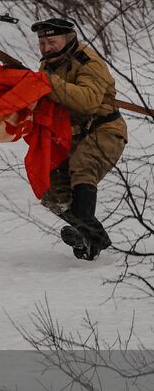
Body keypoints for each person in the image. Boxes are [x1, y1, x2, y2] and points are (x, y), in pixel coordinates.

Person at [32, 17, 128, 260]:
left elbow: (87, 101)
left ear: (68, 38)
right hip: (71, 136)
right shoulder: (49, 64)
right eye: (42, 43)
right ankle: (89, 237)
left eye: (52, 42)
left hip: (105, 129)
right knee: (50, 190)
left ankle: (87, 231)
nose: (46, 48)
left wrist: (48, 83)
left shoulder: (88, 62)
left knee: (82, 166)